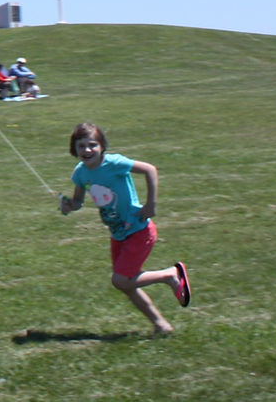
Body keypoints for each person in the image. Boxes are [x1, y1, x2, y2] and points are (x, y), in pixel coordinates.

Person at [59, 122, 191, 335]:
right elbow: (77, 201)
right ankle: (160, 325)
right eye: (81, 146)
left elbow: (149, 170)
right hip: (118, 234)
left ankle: (170, 275)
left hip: (139, 230)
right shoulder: (80, 174)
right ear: (74, 149)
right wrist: (68, 206)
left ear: (102, 146)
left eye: (92, 145)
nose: (87, 150)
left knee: (120, 280)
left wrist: (151, 204)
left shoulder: (114, 163)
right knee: (126, 284)